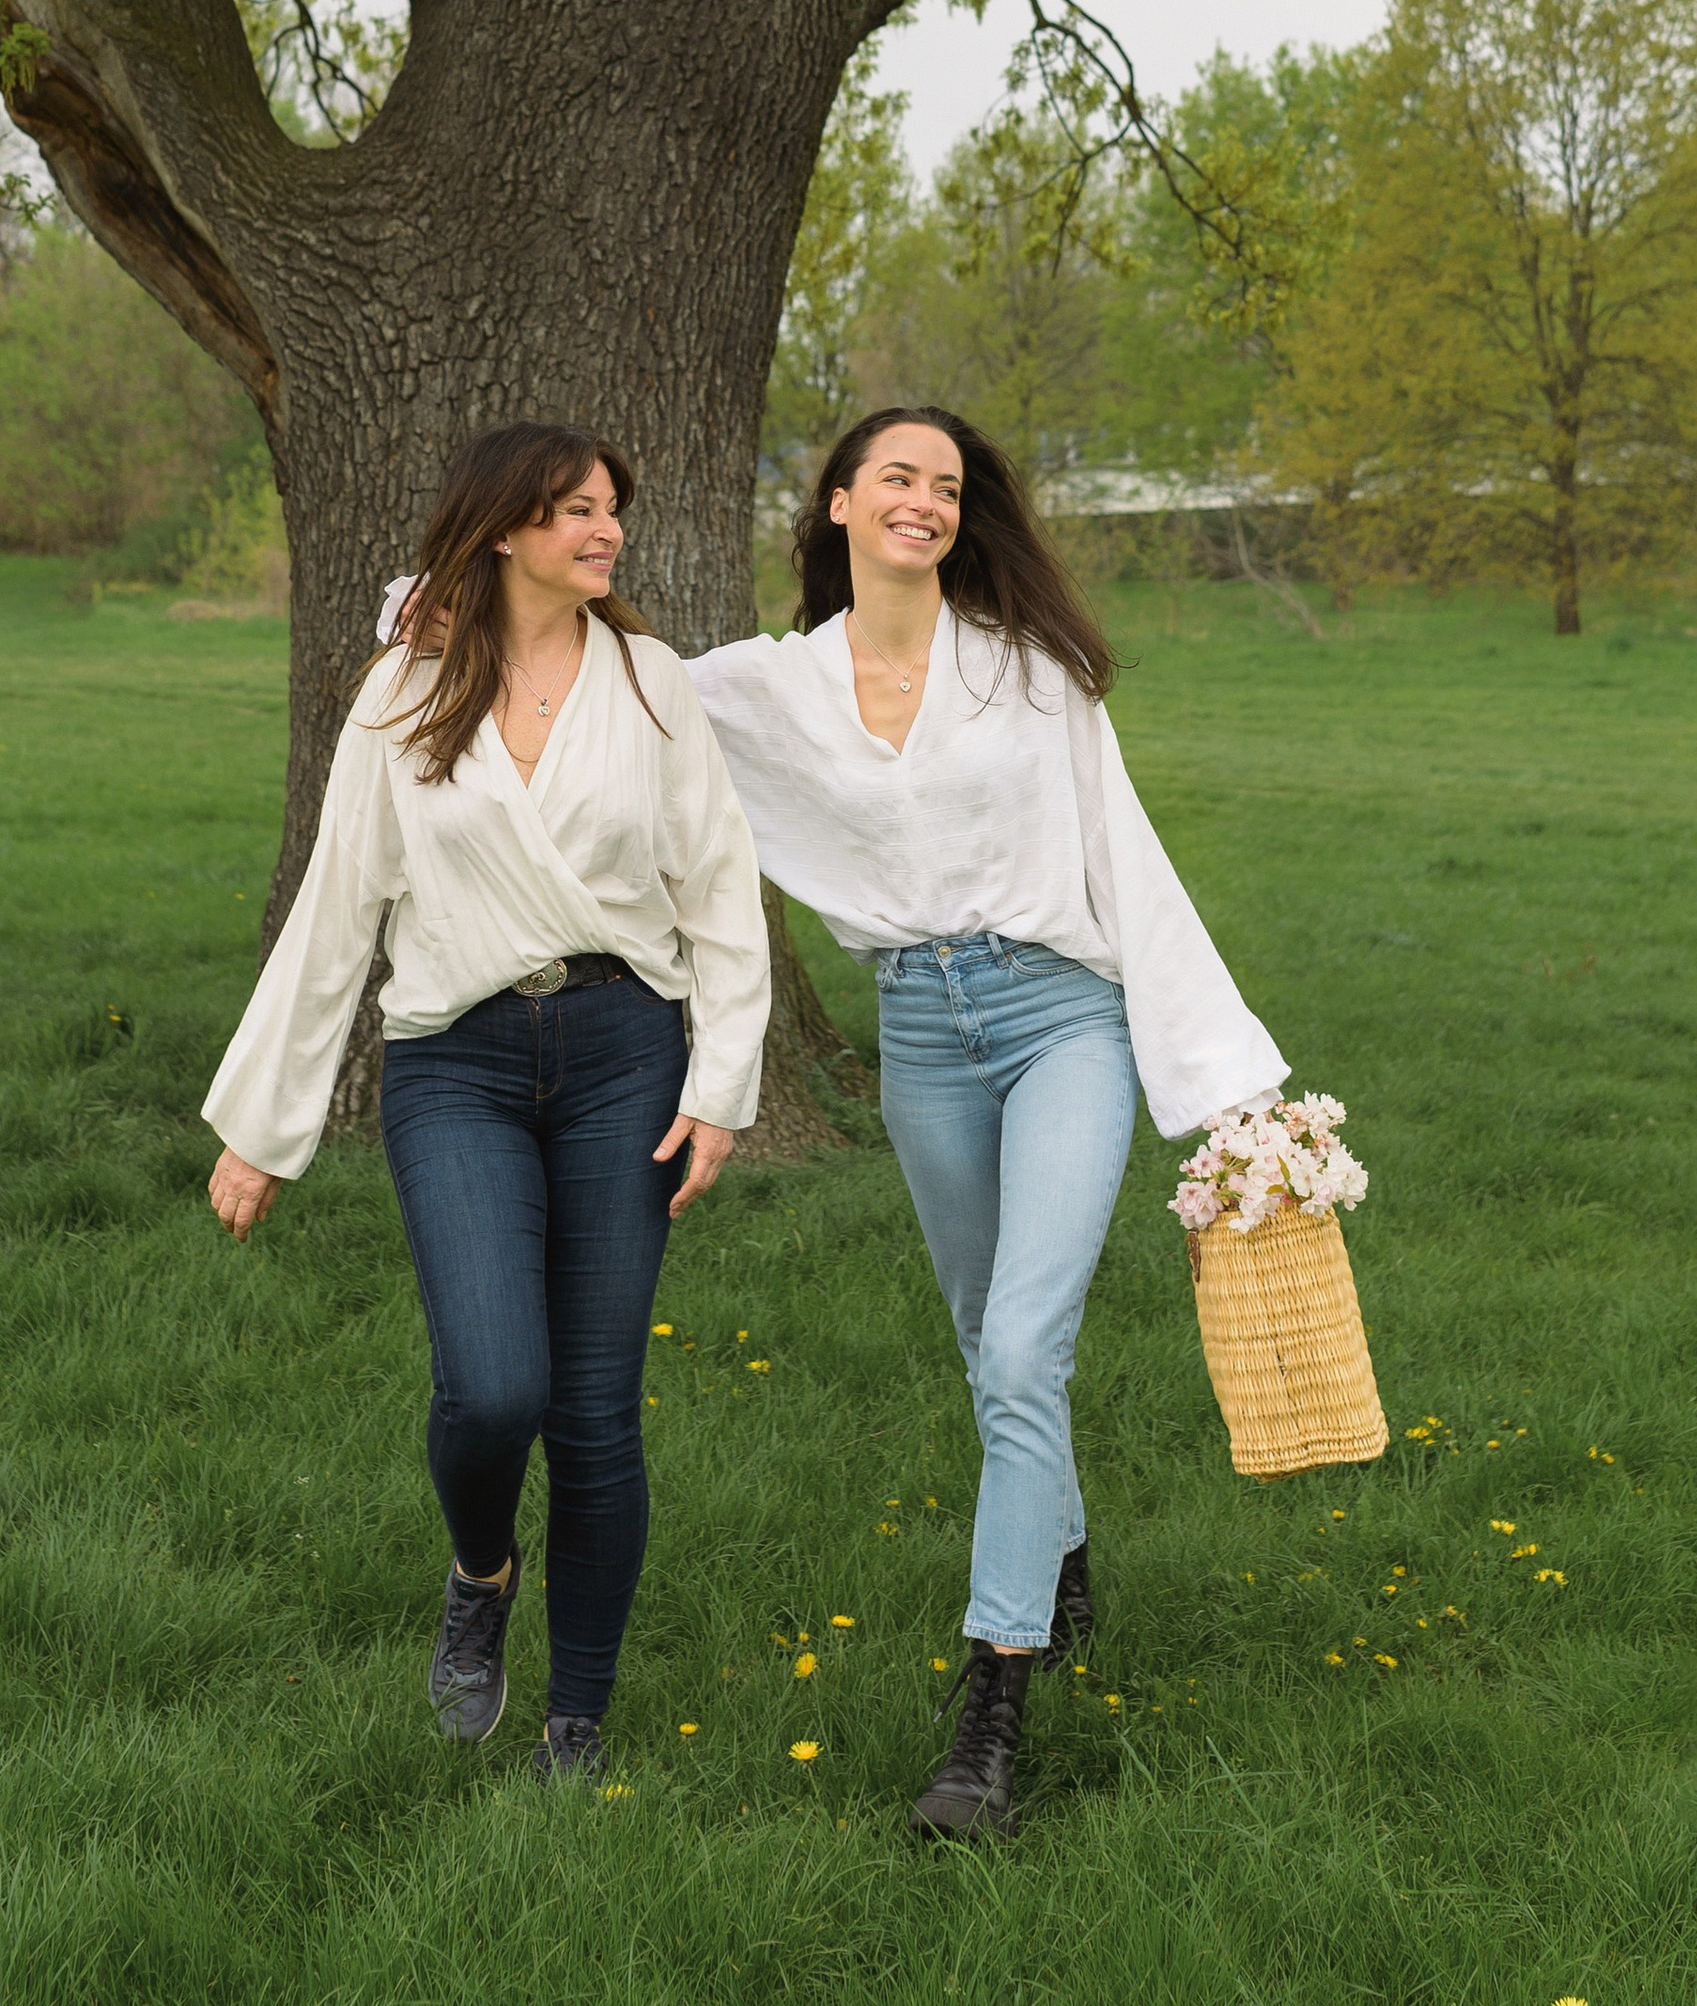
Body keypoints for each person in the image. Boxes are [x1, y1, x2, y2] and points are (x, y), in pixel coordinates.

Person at [689, 405, 1280, 1843]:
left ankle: (990, 1716)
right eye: (896, 476)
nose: (925, 501)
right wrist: (437, 613)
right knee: (983, 1338)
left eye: (948, 486)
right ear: (835, 503)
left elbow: (1126, 862)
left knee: (1026, 1343)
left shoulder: (1032, 678)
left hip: (1058, 1017)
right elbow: (605, 690)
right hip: (919, 1034)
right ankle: (1062, 1551)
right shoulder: (762, 689)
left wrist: (1229, 1093)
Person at [203, 423, 769, 1785]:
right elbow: (336, 911)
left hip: (624, 1051)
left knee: (593, 1409)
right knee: (495, 1385)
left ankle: (578, 1713)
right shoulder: (407, 691)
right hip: (454, 1061)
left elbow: (721, 885)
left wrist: (721, 1087)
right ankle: (481, 1568)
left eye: (611, 510)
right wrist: (266, 1126)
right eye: (576, 509)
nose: (607, 530)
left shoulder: (650, 684)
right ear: (506, 527)